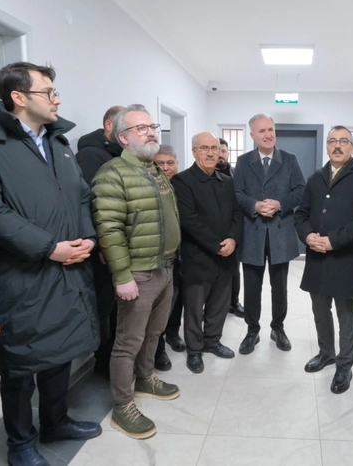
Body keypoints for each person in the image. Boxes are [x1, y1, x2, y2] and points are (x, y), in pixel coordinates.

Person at [0, 62, 101, 466]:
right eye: (48, 92)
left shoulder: (57, 141)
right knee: (20, 364)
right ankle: (20, 443)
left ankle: (56, 421)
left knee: (60, 352)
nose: (57, 100)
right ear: (18, 97)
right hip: (18, 274)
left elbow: (81, 194)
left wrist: (87, 236)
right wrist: (49, 247)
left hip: (67, 265)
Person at [92, 104, 181, 440]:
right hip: (138, 273)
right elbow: (109, 229)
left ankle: (145, 378)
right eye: (141, 128)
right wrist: (122, 275)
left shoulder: (154, 169)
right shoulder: (113, 173)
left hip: (165, 266)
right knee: (128, 342)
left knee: (154, 332)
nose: (151, 132)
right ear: (124, 137)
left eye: (152, 126)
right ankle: (122, 405)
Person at [295, 126, 353, 394]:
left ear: (352, 147)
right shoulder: (315, 178)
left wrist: (334, 240)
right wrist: (308, 236)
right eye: (332, 141)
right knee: (320, 310)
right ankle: (326, 353)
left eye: (344, 141)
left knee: (346, 314)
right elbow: (301, 214)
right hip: (316, 257)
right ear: (327, 147)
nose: (337, 145)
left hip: (345, 258)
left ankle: (344, 365)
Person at [233, 113, 305, 354]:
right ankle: (252, 330)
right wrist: (254, 205)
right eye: (262, 131)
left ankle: (278, 328)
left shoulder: (290, 160)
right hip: (252, 233)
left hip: (280, 232)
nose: (268, 134)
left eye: (271, 129)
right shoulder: (243, 162)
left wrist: (280, 204)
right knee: (252, 287)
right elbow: (236, 194)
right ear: (252, 135)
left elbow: (300, 190)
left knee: (280, 287)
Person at [171, 132, 244, 373]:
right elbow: (189, 220)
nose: (211, 153)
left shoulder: (227, 181)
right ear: (194, 152)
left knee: (219, 304)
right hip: (199, 256)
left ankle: (212, 341)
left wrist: (233, 239)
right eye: (205, 148)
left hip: (226, 256)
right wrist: (216, 245)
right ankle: (194, 350)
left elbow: (237, 214)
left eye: (214, 148)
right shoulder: (182, 181)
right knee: (194, 307)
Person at [77, 105, 125, 379]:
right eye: (124, 125)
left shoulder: (121, 155)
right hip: (103, 248)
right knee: (105, 306)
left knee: (120, 304)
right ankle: (103, 361)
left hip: (121, 245)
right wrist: (103, 243)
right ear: (109, 125)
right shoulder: (90, 155)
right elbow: (91, 203)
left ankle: (116, 357)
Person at [154, 145, 185, 371]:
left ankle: (173, 333)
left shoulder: (183, 185)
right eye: (160, 163)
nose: (166, 168)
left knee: (177, 297)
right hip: (158, 258)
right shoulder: (150, 186)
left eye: (170, 163)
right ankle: (159, 347)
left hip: (182, 255)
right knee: (160, 304)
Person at [216, 137, 245, 318]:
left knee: (234, 269)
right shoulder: (206, 174)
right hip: (212, 231)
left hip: (233, 229)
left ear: (228, 153)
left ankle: (234, 303)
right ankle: (212, 304)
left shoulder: (236, 174)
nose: (220, 154)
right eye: (217, 150)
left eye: (223, 151)